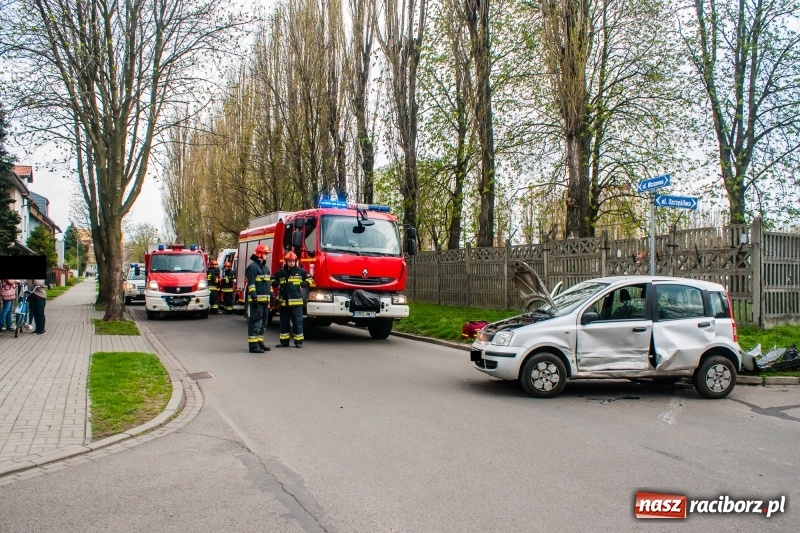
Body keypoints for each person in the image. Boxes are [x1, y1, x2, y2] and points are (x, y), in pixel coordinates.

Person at [271, 251, 313, 348]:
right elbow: (272, 278)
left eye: (293, 261)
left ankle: (298, 342)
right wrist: (275, 283)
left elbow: (310, 278)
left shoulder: (300, 271)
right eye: (289, 261)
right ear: (286, 262)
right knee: (284, 323)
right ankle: (284, 342)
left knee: (297, 322)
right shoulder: (281, 272)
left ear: (295, 261)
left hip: (296, 303)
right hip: (284, 303)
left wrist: (305, 283)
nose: (291, 263)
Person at [245, 244, 272, 353]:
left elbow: (268, 284)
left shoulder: (266, 268)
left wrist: (272, 295)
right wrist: (254, 297)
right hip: (257, 301)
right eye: (266, 254)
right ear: (260, 254)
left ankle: (260, 342)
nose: (268, 256)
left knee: (264, 323)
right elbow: (251, 284)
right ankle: (253, 346)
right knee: (256, 322)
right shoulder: (252, 267)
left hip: (265, 301)